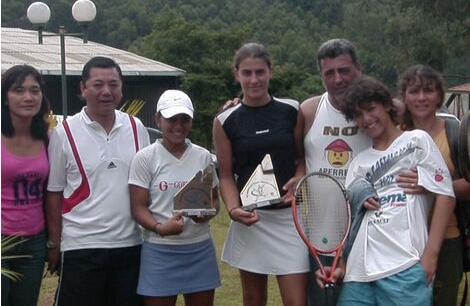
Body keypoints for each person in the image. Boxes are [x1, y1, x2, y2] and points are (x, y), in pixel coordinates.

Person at [317, 75, 455, 305]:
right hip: (358, 275)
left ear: (388, 105)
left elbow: (446, 195)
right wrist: (341, 266)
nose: (367, 119)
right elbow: (353, 223)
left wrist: (431, 255)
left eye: (371, 109)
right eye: (358, 115)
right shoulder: (358, 163)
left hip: (405, 266)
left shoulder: (416, 140)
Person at [45, 56, 150, 306]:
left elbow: (148, 184)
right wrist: (54, 243)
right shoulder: (65, 132)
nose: (106, 92)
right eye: (98, 84)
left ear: (122, 87)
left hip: (130, 245)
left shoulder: (136, 127)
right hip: (81, 247)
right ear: (83, 88)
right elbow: (54, 192)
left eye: (113, 85)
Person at [213, 42, 309, 306]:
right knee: (254, 301)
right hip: (252, 220)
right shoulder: (224, 120)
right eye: (247, 73)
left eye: (260, 72)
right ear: (237, 74)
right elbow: (225, 174)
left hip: (291, 220)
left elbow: (301, 157)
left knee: (297, 302)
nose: (254, 79)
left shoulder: (291, 110)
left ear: (270, 71)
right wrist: (233, 210)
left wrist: (300, 176)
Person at [128, 89, 221, 306]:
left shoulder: (203, 155)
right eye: (171, 119)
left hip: (199, 248)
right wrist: (160, 228)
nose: (178, 126)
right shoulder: (145, 158)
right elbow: (138, 207)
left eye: (184, 119)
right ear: (158, 120)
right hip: (160, 251)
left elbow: (214, 200)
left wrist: (206, 215)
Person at [300, 38, 371, 305]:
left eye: (344, 70)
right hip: (322, 238)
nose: (338, 79)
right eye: (329, 73)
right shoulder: (308, 111)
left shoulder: (380, 111)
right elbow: (294, 159)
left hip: (370, 237)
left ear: (359, 69)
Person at [398, 65, 470, 306]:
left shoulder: (455, 132)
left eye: (428, 91)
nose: (421, 97)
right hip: (400, 241)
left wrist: (431, 185)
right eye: (414, 91)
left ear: (439, 96)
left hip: (448, 239)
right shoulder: (393, 136)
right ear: (404, 97)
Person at [1, 65, 50, 306]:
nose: (28, 97)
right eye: (19, 90)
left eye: (35, 90)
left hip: (34, 241)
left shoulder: (48, 138)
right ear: (6, 98)